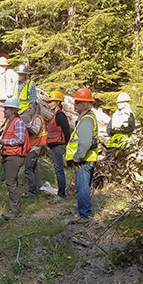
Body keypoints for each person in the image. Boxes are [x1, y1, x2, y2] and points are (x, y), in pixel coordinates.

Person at [66, 88, 98, 224]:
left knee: (82, 188)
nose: (75, 104)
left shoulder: (86, 120)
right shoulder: (85, 118)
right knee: (83, 187)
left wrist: (77, 159)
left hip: (84, 160)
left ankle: (85, 216)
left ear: (85, 104)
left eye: (78, 102)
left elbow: (84, 143)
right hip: (85, 159)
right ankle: (84, 213)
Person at [0, 98, 31, 220]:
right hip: (9, 155)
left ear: (12, 110)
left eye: (6, 109)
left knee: (11, 183)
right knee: (12, 182)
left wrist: (4, 141)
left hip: (15, 156)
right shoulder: (10, 123)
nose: (4, 111)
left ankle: (15, 211)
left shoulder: (18, 122)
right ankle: (15, 209)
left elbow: (20, 140)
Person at [45, 91, 71, 204]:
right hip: (56, 146)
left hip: (59, 146)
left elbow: (66, 131)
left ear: (58, 102)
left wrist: (66, 144)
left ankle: (61, 194)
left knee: (59, 170)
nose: (49, 104)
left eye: (51, 102)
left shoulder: (60, 115)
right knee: (58, 170)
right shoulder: (55, 115)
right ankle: (61, 193)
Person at [22, 102, 47, 197]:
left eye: (30, 108)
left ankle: (32, 190)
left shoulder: (37, 119)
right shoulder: (33, 119)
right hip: (33, 147)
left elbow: (35, 130)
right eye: (28, 108)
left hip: (35, 147)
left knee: (28, 169)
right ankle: (37, 188)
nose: (28, 110)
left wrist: (26, 127)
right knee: (34, 169)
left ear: (35, 109)